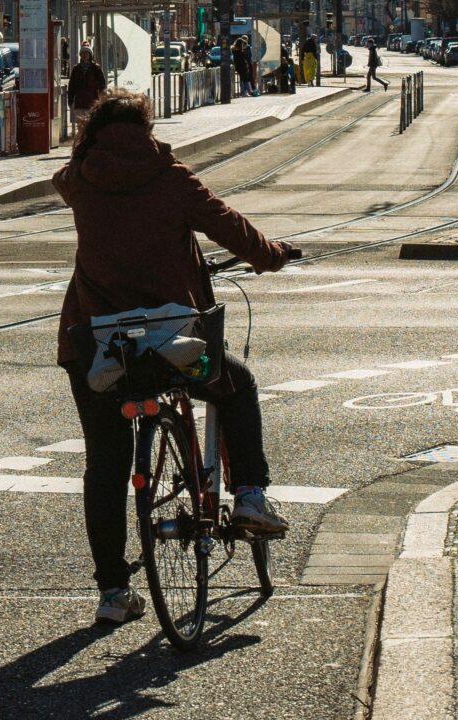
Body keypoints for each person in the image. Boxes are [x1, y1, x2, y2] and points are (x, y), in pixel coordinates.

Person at [51, 89, 292, 624]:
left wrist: (82, 150)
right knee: (238, 386)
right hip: (173, 343)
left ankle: (113, 593)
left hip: (97, 346)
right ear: (148, 129)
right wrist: (270, 255)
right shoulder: (168, 174)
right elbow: (226, 222)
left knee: (106, 465)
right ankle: (250, 495)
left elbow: (61, 180)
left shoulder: (80, 179)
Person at [67, 46, 107, 122]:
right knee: (80, 122)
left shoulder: (96, 68)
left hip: (92, 100)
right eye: (82, 53)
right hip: (80, 100)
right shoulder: (76, 68)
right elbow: (72, 85)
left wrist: (102, 98)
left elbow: (102, 84)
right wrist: (70, 100)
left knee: (91, 122)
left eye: (86, 53)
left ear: (90, 55)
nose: (84, 55)